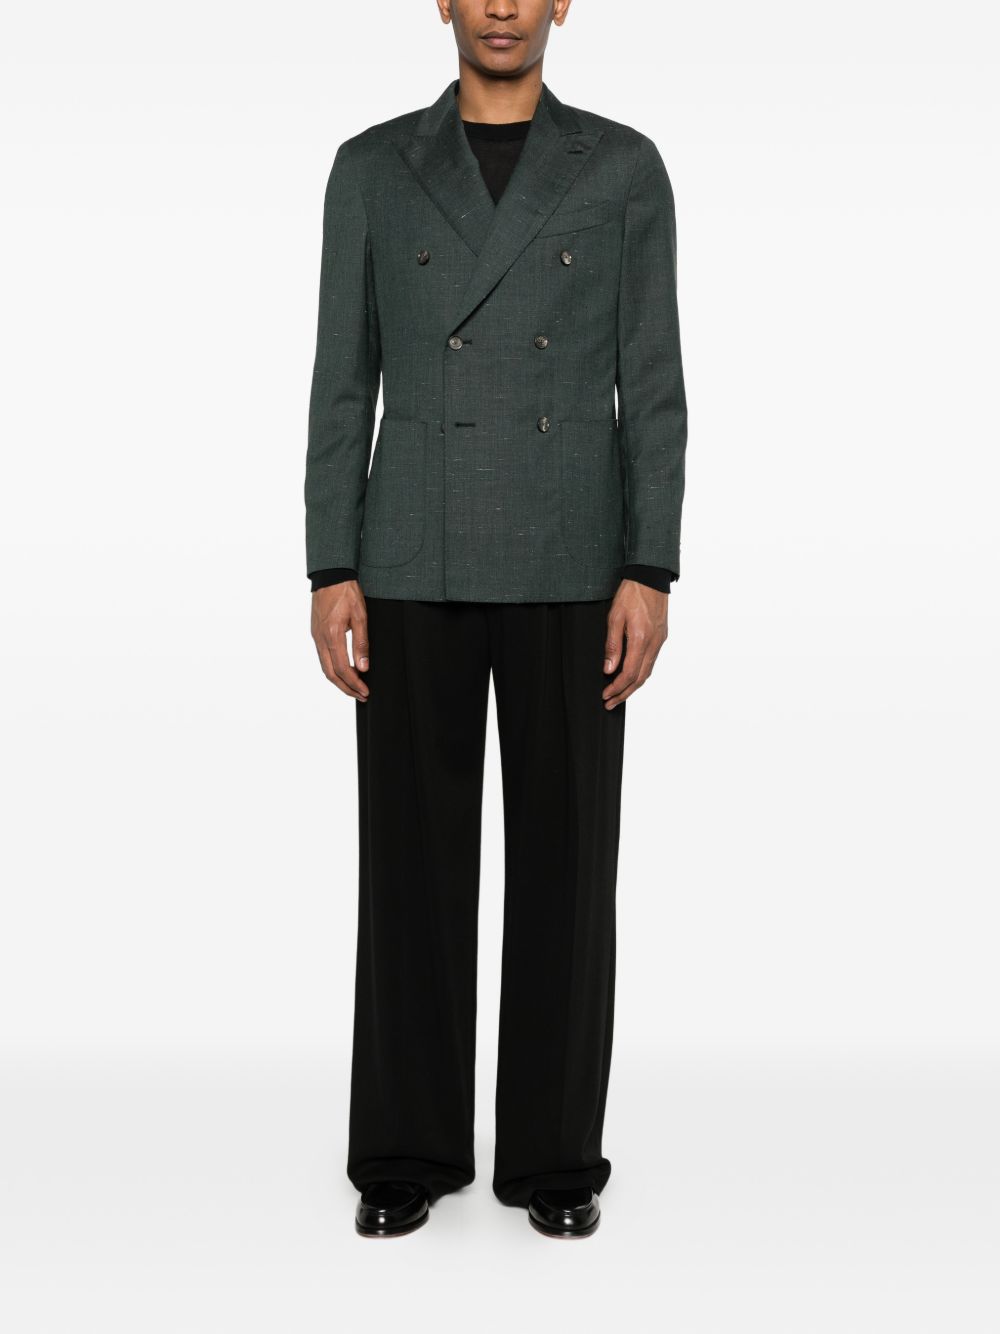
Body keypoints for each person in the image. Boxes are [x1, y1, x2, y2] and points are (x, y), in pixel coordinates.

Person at [304, 0, 687, 1239]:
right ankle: (405, 1148)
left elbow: (655, 382)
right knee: (409, 865)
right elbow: (341, 379)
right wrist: (330, 563)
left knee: (568, 869)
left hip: (573, 554)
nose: (504, 5)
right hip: (409, 549)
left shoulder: (621, 167)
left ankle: (555, 1155)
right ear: (444, 1)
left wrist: (648, 566)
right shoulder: (372, 167)